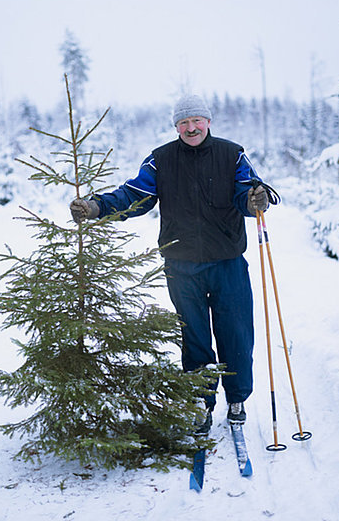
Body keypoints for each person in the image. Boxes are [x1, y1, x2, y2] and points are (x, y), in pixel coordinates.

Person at [70, 94, 268, 434]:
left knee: (236, 332)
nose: (191, 128)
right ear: (176, 126)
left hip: (228, 261)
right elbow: (134, 195)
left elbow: (247, 193)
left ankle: (237, 398)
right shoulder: (161, 160)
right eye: (183, 122)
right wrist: (97, 207)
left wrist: (256, 200)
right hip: (181, 264)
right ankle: (200, 402)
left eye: (196, 121)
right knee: (194, 336)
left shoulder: (231, 154)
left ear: (207, 121)